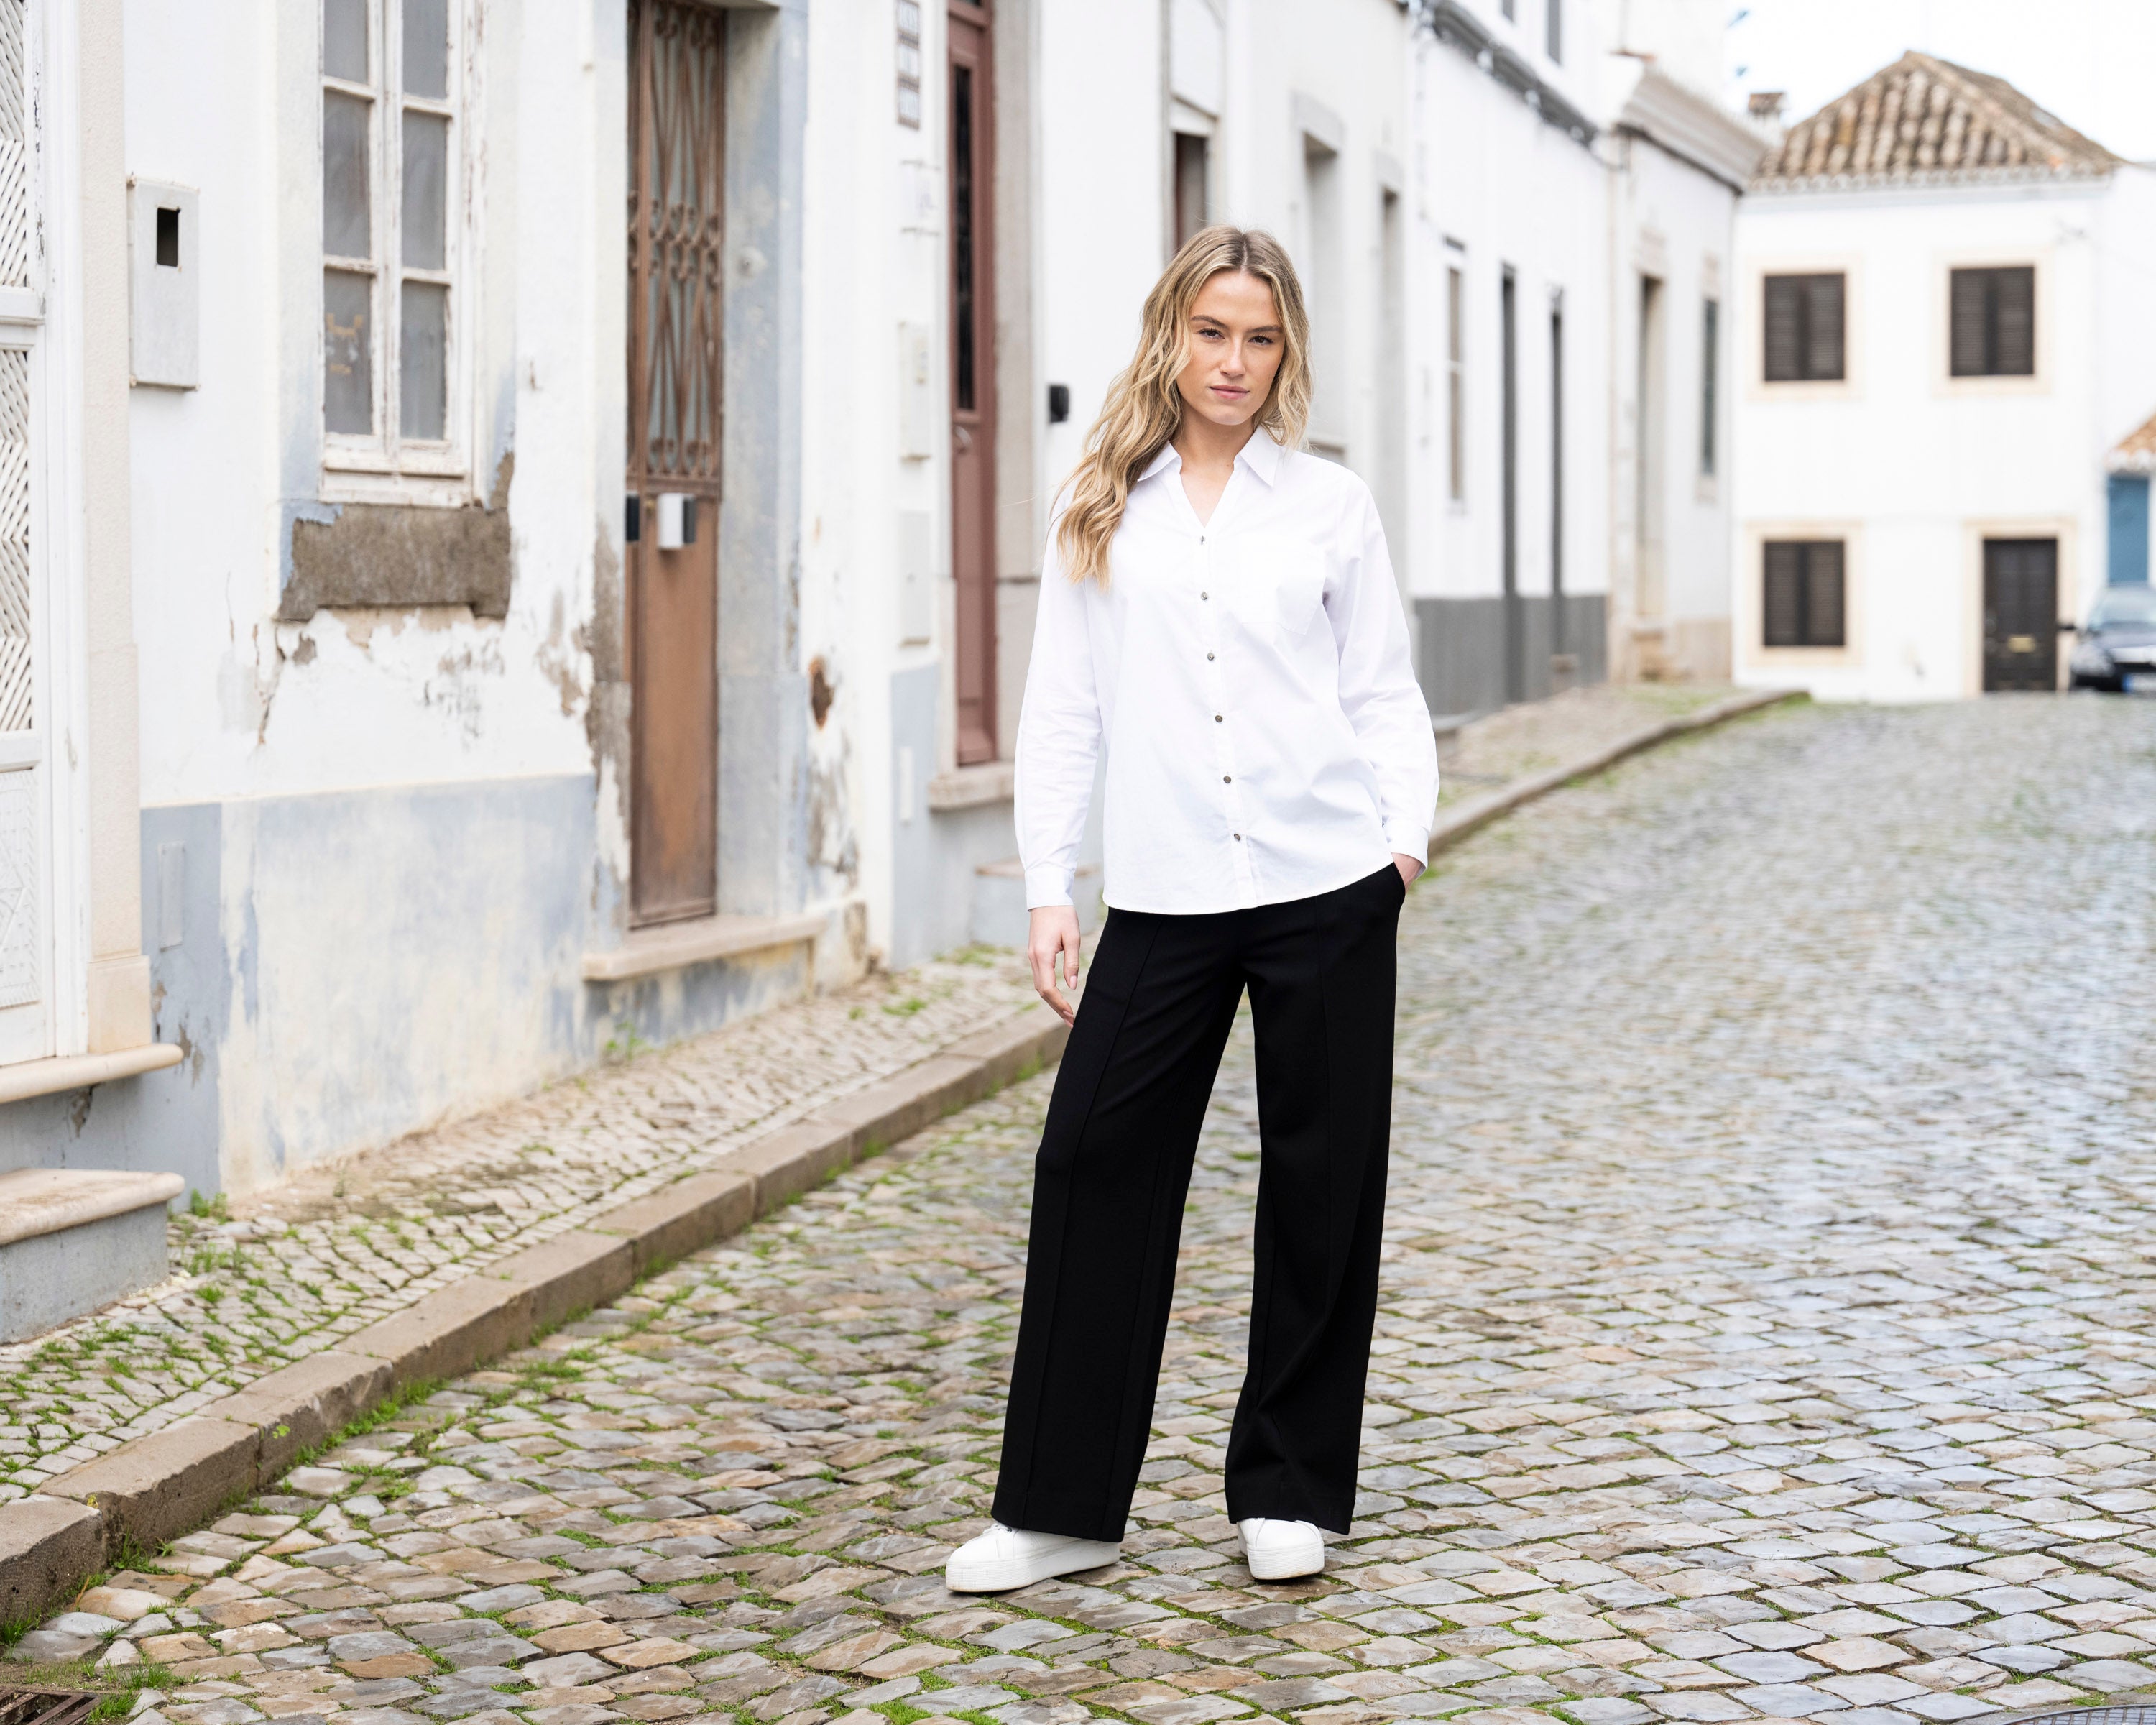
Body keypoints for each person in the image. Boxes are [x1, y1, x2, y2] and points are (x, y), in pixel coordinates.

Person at [944, 226, 1439, 1593]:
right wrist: (1053, 883)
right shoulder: (1106, 504)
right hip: (1163, 891)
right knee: (1092, 1160)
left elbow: (1381, 689)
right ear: (1172, 334)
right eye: (1213, 331)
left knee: (1322, 1185)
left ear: (1287, 355)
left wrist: (1399, 844)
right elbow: (1065, 710)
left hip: (1325, 883)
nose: (1234, 361)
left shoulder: (1328, 506)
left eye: (1260, 338)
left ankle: (1288, 1489)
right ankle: (1061, 1508)